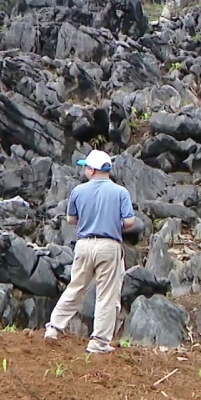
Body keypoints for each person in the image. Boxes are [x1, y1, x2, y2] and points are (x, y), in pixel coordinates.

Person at [44, 149, 136, 355]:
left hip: (84, 245)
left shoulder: (79, 191)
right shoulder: (120, 192)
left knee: (76, 287)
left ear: (93, 171)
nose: (85, 170)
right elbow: (130, 222)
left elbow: (70, 220)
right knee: (107, 295)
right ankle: (99, 342)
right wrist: (115, 223)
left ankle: (53, 328)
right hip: (108, 246)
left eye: (86, 167)